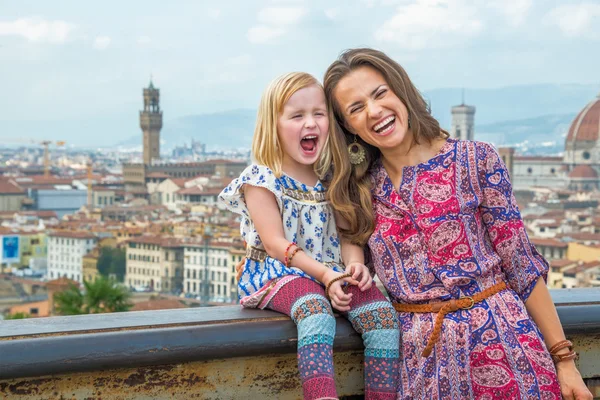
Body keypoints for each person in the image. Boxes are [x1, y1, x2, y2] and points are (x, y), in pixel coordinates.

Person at [323, 48, 592, 400]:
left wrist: (564, 360)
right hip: (423, 366)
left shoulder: (476, 159)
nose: (374, 112)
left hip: (509, 349)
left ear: (401, 91)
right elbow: (347, 260)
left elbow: (521, 264)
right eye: (356, 108)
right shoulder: (357, 191)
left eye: (380, 93)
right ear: (347, 126)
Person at [219, 72, 400, 400]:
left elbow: (348, 232)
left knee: (382, 316)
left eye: (319, 114)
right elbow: (275, 244)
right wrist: (326, 275)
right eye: (297, 116)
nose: (311, 124)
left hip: (330, 272)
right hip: (278, 275)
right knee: (314, 311)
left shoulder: (334, 175)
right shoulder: (261, 179)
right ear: (273, 124)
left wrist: (354, 266)